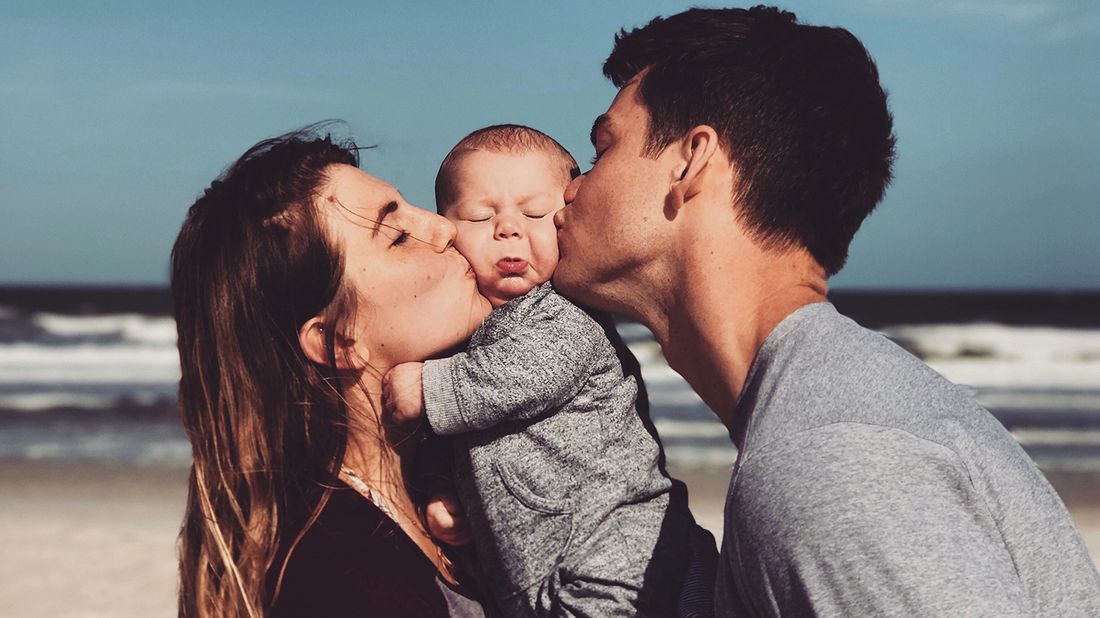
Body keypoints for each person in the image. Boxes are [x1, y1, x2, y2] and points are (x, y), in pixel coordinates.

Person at [553, 6, 1100, 615]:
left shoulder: (832, 466)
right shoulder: (830, 418)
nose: (568, 187)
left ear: (691, 161)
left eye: (602, 149)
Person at [383, 124, 708, 616]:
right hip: (531, 573)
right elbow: (457, 439)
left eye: (535, 213)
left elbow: (523, 376)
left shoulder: (565, 314)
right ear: (447, 232)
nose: (508, 228)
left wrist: (429, 388)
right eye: (479, 215)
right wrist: (443, 486)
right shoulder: (463, 333)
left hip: (617, 551)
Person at [172, 125, 491, 617]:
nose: (445, 228)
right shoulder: (329, 574)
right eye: (399, 236)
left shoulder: (447, 482)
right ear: (336, 341)